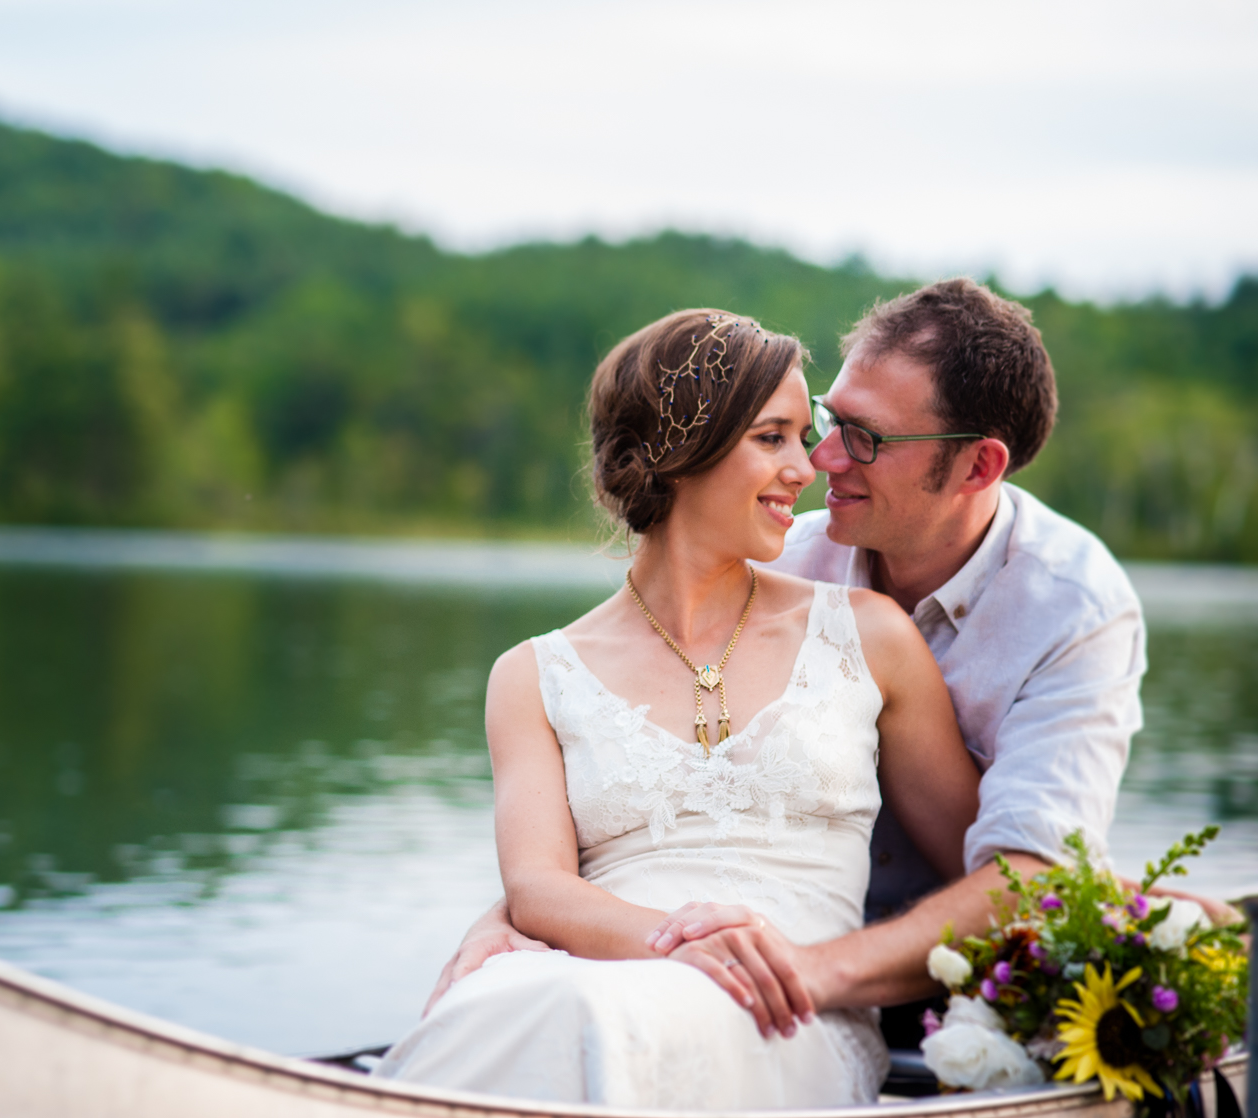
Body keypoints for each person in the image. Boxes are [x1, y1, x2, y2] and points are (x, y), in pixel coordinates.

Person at [427, 279, 1169, 1052]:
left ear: (979, 468)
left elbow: (1029, 883)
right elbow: (596, 811)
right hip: (636, 969)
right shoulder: (772, 551)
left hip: (868, 991)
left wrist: (791, 974)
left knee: (625, 1027)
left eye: (865, 438)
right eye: (820, 423)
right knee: (519, 1015)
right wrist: (519, 909)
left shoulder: (1069, 609)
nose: (818, 461)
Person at [371, 309, 982, 1110]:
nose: (807, 468)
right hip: (592, 976)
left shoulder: (868, 636)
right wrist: (681, 943)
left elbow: (991, 869)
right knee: (509, 999)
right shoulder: (533, 675)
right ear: (679, 452)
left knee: (590, 1011)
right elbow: (539, 890)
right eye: (774, 438)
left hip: (784, 1015)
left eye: (806, 437)